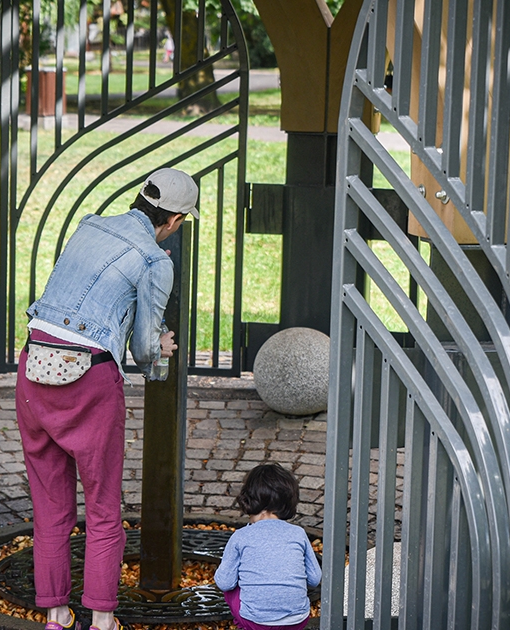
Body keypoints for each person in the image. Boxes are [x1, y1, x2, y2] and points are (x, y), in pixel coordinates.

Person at [16, 168, 199, 630]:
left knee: (51, 507)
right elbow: (142, 349)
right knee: (101, 508)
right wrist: (161, 348)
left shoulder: (89, 224)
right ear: (176, 220)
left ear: (140, 199)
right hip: (88, 380)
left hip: (34, 368)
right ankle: (101, 621)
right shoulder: (156, 261)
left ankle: (56, 616)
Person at [214, 463, 322, 630]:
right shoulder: (298, 533)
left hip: (255, 621)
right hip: (297, 620)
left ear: (247, 499)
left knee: (231, 590)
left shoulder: (241, 536)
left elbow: (224, 583)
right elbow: (315, 578)